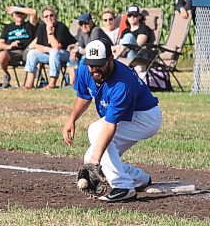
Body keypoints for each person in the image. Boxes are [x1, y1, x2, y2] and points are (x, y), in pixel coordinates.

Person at [62, 38, 162, 202]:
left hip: (145, 117)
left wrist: (96, 162)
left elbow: (109, 126)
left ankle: (123, 186)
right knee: (90, 156)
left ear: (110, 59)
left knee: (96, 132)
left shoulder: (122, 84)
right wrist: (71, 119)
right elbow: (84, 95)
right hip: (129, 117)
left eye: (99, 64)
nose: (94, 69)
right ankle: (139, 179)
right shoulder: (84, 68)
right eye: (91, 64)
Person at [23, 6, 76, 89]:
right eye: (46, 16)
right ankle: (29, 83)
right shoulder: (41, 27)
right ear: (43, 19)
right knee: (32, 53)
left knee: (54, 52)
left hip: (66, 54)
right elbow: (37, 45)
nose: (49, 18)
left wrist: (49, 32)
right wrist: (47, 49)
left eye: (51, 15)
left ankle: (52, 83)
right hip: (50, 54)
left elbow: (57, 46)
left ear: (55, 16)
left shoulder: (61, 27)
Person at [0, 4, 38, 88]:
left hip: (28, 51)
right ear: (12, 15)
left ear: (25, 15)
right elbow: (0, 43)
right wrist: (10, 46)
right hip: (12, 52)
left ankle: (33, 81)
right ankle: (7, 74)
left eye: (21, 13)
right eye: (16, 13)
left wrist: (16, 8)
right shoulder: (7, 28)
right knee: (1, 55)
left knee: (35, 53)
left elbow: (34, 12)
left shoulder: (29, 25)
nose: (19, 14)